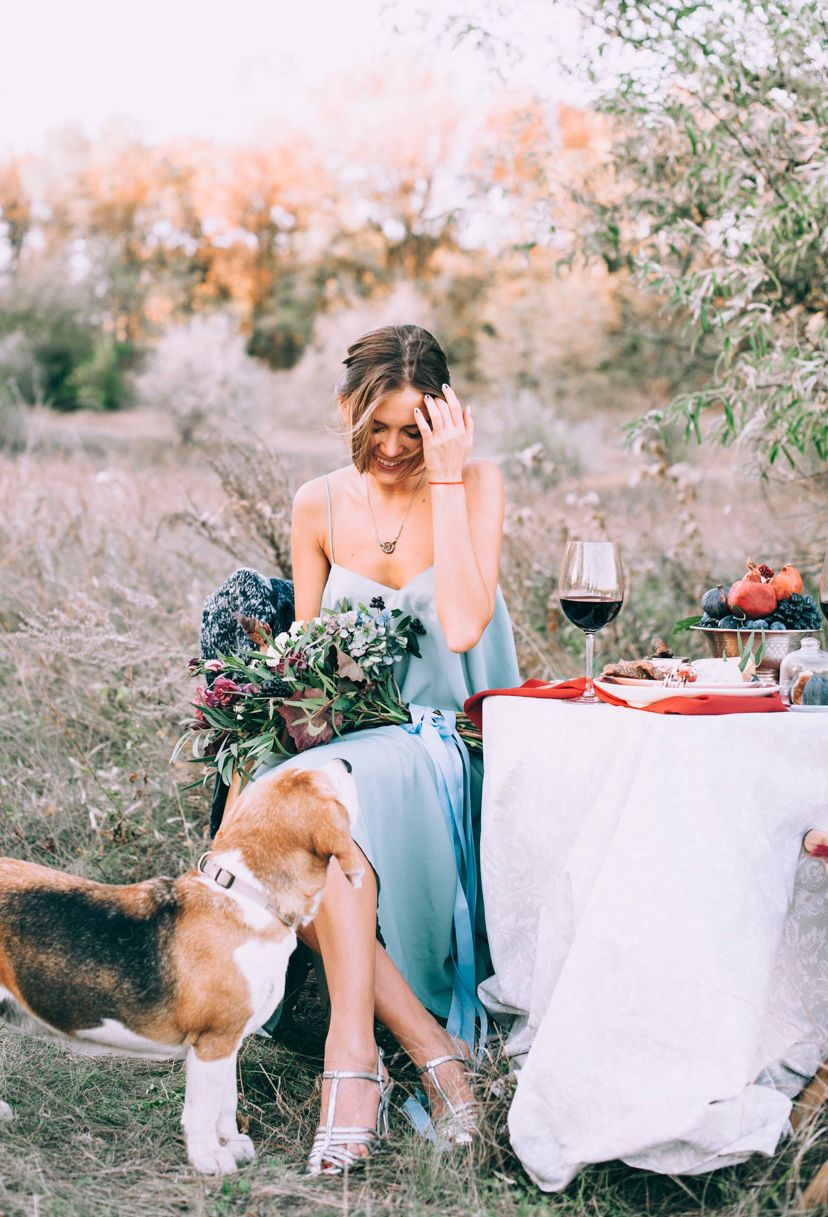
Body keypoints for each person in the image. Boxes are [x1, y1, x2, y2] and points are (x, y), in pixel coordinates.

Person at [199, 323, 519, 1175]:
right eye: (374, 427)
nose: (390, 448)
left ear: (446, 421)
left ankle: (364, 1064)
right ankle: (416, 1051)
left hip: (451, 751)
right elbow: (311, 669)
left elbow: (458, 625)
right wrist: (257, 755)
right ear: (345, 410)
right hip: (355, 746)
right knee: (296, 812)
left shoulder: (476, 484)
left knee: (312, 805)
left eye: (413, 430)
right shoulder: (317, 501)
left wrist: (444, 475)